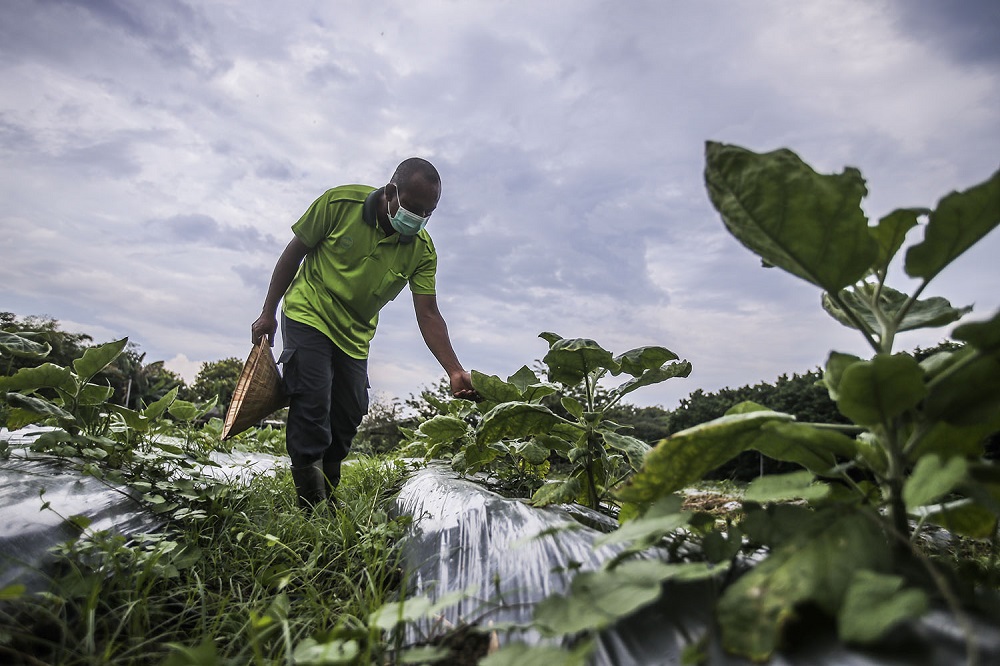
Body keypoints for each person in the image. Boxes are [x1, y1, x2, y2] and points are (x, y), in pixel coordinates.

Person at [251, 157, 476, 510]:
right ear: (390, 193)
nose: (417, 220)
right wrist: (267, 313)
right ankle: (311, 506)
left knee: (349, 411)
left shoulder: (422, 250)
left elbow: (428, 313)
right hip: (309, 312)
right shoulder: (340, 204)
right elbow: (294, 254)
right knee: (313, 401)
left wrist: (454, 369)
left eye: (427, 214)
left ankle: (328, 489)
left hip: (354, 334)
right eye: (413, 209)